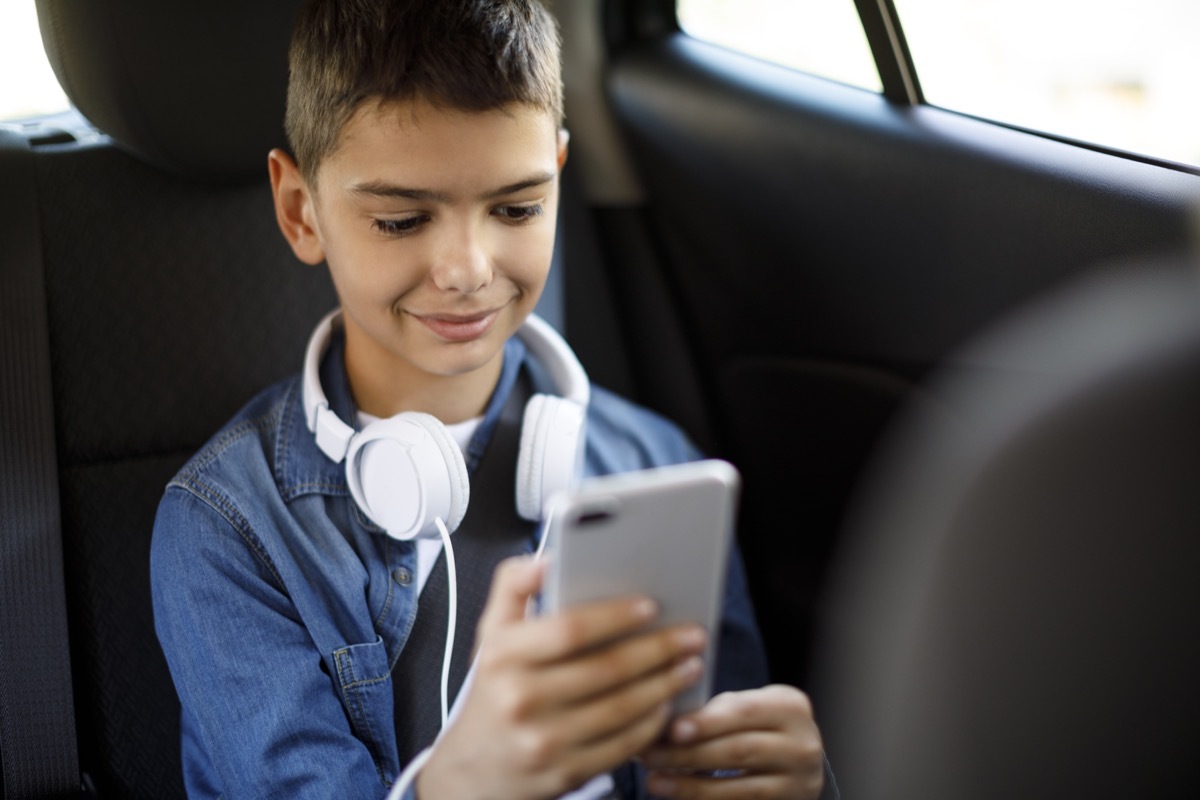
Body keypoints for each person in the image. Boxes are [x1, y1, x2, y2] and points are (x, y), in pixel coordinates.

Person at [150, 1, 827, 797]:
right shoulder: (231, 529)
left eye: (515, 208)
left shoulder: (650, 464)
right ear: (302, 212)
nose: (468, 268)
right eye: (402, 220)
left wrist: (789, 784)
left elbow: (714, 747)